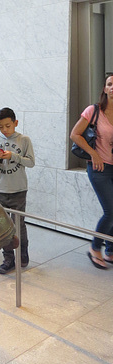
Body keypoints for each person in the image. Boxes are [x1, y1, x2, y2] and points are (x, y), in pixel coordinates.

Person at [70, 73, 113, 269]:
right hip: (99, 168)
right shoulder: (93, 111)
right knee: (110, 212)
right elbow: (75, 134)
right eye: (110, 84)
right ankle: (95, 248)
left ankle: (110, 250)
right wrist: (93, 153)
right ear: (104, 89)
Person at [0, 107, 35, 274]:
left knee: (19, 224)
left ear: (15, 123)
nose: (4, 130)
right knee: (3, 226)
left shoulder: (24, 140)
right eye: (1, 126)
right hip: (0, 189)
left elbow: (31, 162)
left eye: (8, 126)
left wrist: (13, 156)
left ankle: (22, 254)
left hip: (18, 189)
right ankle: (8, 259)